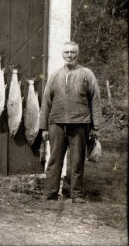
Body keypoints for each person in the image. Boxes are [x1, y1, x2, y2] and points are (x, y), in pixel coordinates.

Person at [39, 41, 102, 202]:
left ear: (77, 54)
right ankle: (50, 193)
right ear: (62, 54)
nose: (69, 55)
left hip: (80, 123)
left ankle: (76, 194)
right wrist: (43, 127)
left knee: (77, 161)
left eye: (72, 52)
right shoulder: (54, 76)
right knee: (54, 160)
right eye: (66, 52)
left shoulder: (87, 74)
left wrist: (96, 126)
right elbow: (46, 102)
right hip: (56, 124)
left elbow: (95, 100)